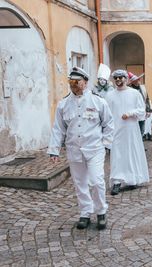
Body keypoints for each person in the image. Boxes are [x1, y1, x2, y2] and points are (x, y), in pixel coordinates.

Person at [48, 67, 113, 230]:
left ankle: (101, 212)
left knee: (97, 181)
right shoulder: (63, 104)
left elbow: (109, 124)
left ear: (85, 83)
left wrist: (106, 144)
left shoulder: (98, 102)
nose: (73, 85)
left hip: (95, 149)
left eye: (77, 82)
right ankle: (85, 213)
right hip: (74, 150)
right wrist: (54, 149)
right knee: (80, 183)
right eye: (71, 82)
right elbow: (58, 128)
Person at [105, 69, 149, 195]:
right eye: (116, 78)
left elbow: (141, 110)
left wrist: (130, 113)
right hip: (116, 129)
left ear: (126, 79)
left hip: (131, 129)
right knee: (117, 155)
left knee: (131, 153)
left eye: (121, 78)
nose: (118, 80)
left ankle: (132, 179)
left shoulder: (134, 94)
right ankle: (117, 182)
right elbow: (106, 114)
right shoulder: (110, 95)